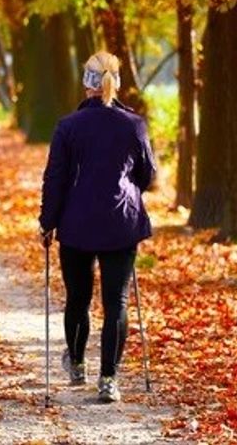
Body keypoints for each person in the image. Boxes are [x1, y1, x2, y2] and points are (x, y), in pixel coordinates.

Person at [38, 51, 156, 403]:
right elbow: (147, 174)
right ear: (116, 82)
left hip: (76, 224)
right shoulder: (134, 124)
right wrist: (127, 188)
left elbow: (55, 178)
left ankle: (76, 363)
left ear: (85, 83)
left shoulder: (68, 126)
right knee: (116, 301)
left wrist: (48, 222)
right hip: (121, 222)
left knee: (78, 297)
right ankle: (109, 378)